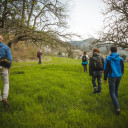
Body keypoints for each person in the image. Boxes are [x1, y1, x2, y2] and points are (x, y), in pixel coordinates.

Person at [104, 46, 124, 114]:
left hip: (112, 76)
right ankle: (116, 102)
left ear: (110, 51)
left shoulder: (108, 58)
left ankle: (117, 107)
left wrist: (105, 78)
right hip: (119, 76)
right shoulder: (121, 59)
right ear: (117, 50)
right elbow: (122, 68)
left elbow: (105, 69)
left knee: (112, 92)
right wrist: (120, 74)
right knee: (116, 90)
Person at [0, 35, 12, 107]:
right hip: (4, 67)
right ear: (2, 40)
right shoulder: (6, 47)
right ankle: (4, 97)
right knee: (6, 83)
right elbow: (10, 59)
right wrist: (9, 68)